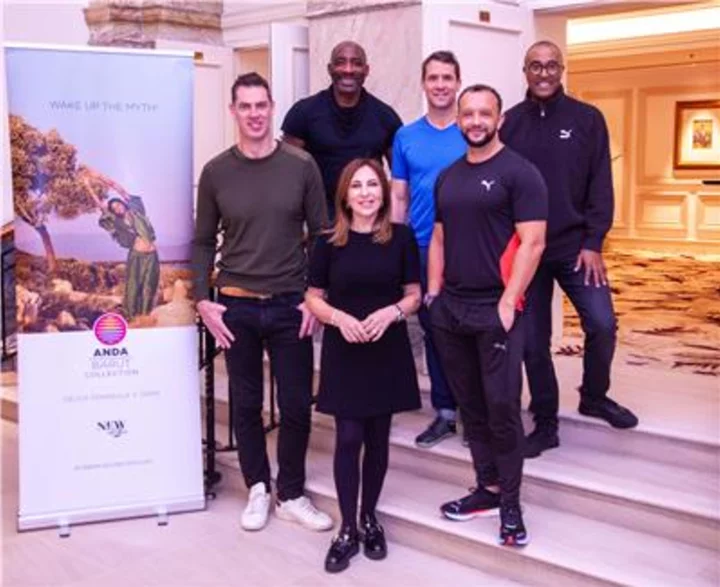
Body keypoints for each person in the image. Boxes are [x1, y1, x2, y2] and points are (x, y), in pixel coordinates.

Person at [192, 72, 332, 533]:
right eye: (245, 106)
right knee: (246, 404)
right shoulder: (216, 172)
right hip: (236, 307)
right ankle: (257, 486)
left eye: (261, 105)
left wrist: (316, 296)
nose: (254, 114)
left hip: (291, 304)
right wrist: (202, 299)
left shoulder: (301, 166)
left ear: (272, 108)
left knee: (295, 405)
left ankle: (290, 493)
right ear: (233, 111)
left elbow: (322, 235)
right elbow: (202, 241)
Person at [500, 40, 638, 459]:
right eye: (535, 66)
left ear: (561, 70)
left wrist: (594, 241)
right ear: (525, 71)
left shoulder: (587, 119)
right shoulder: (509, 123)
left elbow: (601, 184)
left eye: (551, 66)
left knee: (602, 323)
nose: (543, 73)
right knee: (533, 342)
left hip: (576, 247)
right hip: (529, 252)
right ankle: (545, 423)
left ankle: (593, 396)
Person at [427, 85, 547, 546]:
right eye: (468, 114)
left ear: (499, 119)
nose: (476, 121)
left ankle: (511, 504)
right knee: (471, 407)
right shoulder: (449, 176)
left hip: (496, 309)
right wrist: (434, 295)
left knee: (502, 409)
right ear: (458, 119)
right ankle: (488, 489)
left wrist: (509, 300)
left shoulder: (520, 173)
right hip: (451, 310)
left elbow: (533, 242)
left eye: (485, 113)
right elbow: (438, 238)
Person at [305, 158, 421, 573]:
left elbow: (414, 294)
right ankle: (347, 528)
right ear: (345, 195)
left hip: (386, 348)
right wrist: (339, 319)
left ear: (384, 193)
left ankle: (370, 518)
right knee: (349, 437)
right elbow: (313, 297)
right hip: (345, 348)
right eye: (357, 186)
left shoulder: (401, 238)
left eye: (373, 185)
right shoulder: (327, 241)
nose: (366, 193)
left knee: (377, 438)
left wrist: (392, 312)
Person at [391, 50, 466, 449]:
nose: (440, 85)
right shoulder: (406, 137)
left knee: (473, 330)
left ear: (458, 83)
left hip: (468, 248)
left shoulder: (472, 130)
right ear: (423, 84)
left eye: (447, 77)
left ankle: (474, 412)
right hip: (421, 246)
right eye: (433, 78)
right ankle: (446, 412)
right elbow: (399, 197)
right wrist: (394, 249)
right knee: (435, 330)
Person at [282, 40, 403, 219]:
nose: (348, 69)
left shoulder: (385, 117)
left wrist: (391, 220)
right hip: (320, 222)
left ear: (366, 70)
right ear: (330, 69)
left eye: (356, 63)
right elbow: (287, 174)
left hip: (370, 220)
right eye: (340, 62)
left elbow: (400, 180)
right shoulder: (303, 112)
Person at [84, 170, 159, 320]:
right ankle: (131, 315)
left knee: (149, 285)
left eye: (118, 204)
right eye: (114, 208)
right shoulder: (117, 222)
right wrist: (88, 187)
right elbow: (100, 206)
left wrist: (99, 176)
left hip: (152, 255)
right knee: (134, 285)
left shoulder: (137, 210)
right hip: (136, 256)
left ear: (123, 203)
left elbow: (119, 188)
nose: (117, 207)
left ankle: (144, 315)